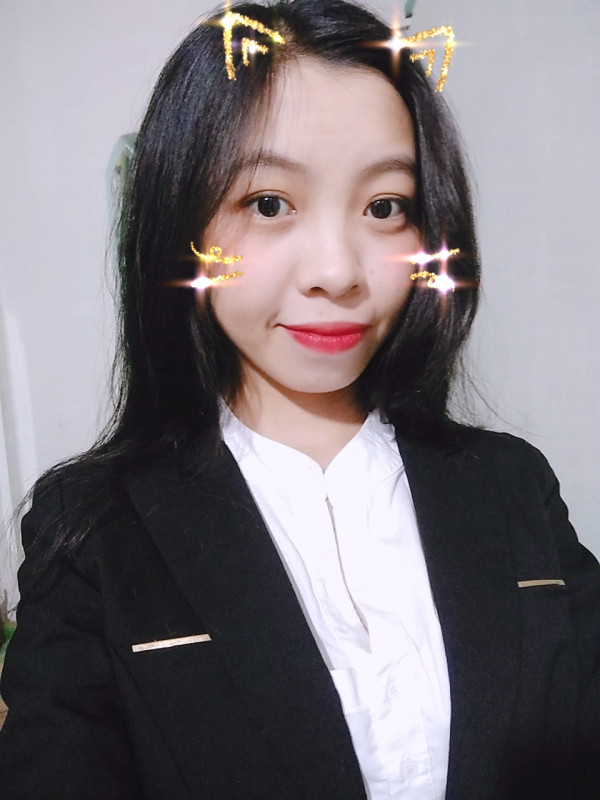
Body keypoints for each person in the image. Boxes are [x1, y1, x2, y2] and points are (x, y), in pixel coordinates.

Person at [1, 1, 599, 798]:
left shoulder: (511, 484)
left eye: (385, 207)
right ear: (181, 221)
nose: (337, 272)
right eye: (269, 203)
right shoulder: (95, 529)